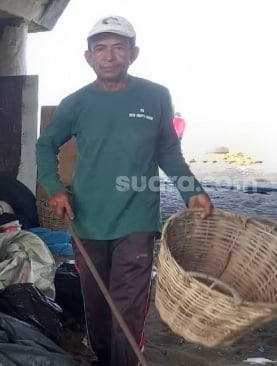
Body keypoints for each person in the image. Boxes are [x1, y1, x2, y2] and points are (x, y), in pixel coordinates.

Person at [35, 15, 213, 366]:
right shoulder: (76, 103)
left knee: (128, 306)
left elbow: (167, 150)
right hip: (86, 218)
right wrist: (56, 188)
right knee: (97, 303)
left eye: (119, 48)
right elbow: (46, 144)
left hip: (137, 218)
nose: (110, 56)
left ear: (134, 53)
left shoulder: (156, 96)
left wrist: (191, 189)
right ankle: (103, 357)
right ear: (88, 57)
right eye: (100, 49)